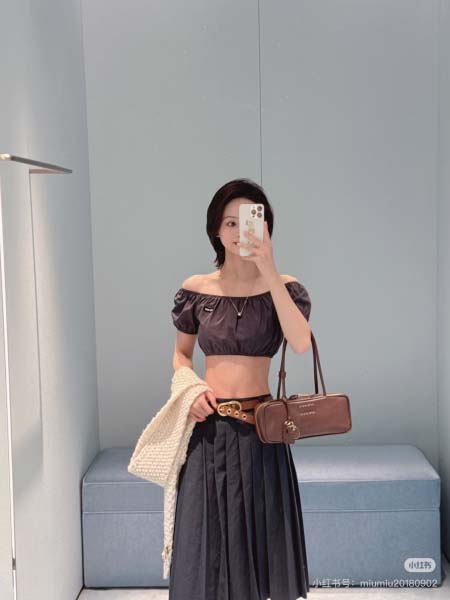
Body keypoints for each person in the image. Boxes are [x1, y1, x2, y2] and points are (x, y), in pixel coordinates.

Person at [168, 178, 312, 600]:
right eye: (229, 222)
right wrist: (190, 392)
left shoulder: (285, 287)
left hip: (261, 431)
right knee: (206, 542)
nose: (237, 231)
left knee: (263, 541)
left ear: (265, 227)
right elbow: (180, 356)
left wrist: (269, 268)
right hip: (207, 430)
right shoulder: (197, 290)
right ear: (215, 229)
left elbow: (300, 343)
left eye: (247, 221)